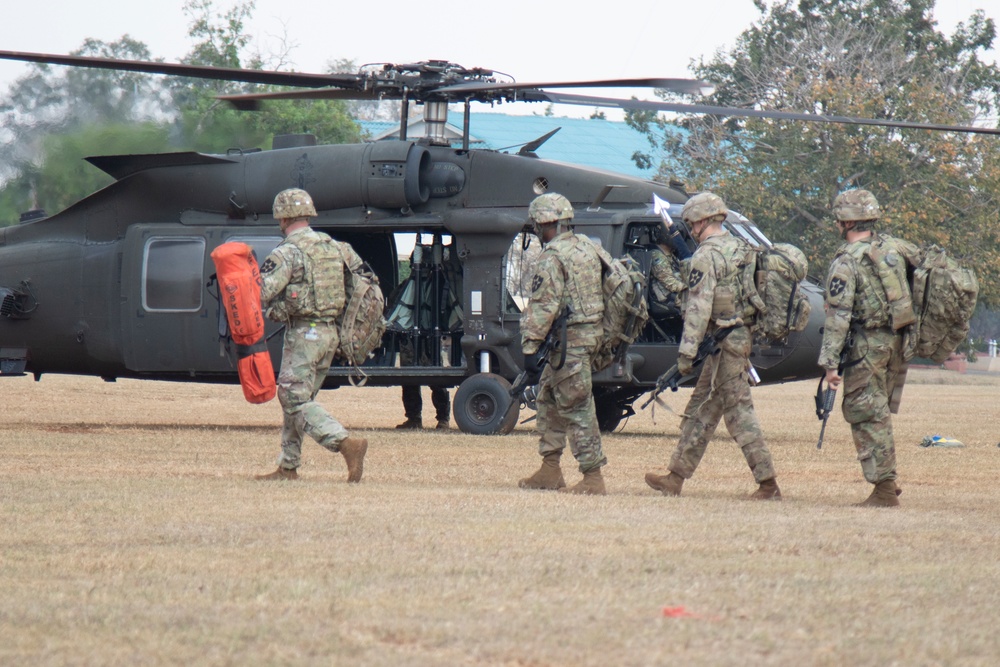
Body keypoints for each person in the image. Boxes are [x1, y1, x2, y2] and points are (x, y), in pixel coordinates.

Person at [644, 192, 781, 500]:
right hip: (736, 337)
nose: (691, 231)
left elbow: (697, 307)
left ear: (704, 220)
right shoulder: (743, 249)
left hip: (723, 340)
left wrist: (686, 354)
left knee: (739, 413)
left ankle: (768, 484)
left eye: (693, 224)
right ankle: (676, 476)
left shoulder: (705, 256)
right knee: (706, 410)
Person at [254, 188, 369, 483]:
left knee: (292, 398)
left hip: (305, 334)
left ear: (282, 217)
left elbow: (262, 291)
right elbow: (362, 283)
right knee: (300, 400)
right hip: (331, 334)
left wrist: (244, 277)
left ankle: (345, 443)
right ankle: (288, 467)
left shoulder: (287, 252)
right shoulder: (335, 246)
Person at [818, 189, 921, 507]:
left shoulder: (847, 260)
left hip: (867, 345)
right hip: (896, 341)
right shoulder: (896, 248)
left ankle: (884, 489)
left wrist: (830, 363)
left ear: (845, 223)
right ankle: (887, 480)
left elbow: (839, 315)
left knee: (865, 412)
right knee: (877, 412)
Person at [517, 192, 608, 495]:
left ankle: (593, 477)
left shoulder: (553, 256)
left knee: (576, 406)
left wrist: (530, 347)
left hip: (571, 343)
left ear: (544, 223)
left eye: (536, 226)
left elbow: (543, 305)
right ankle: (550, 469)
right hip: (587, 337)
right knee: (548, 398)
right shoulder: (588, 247)